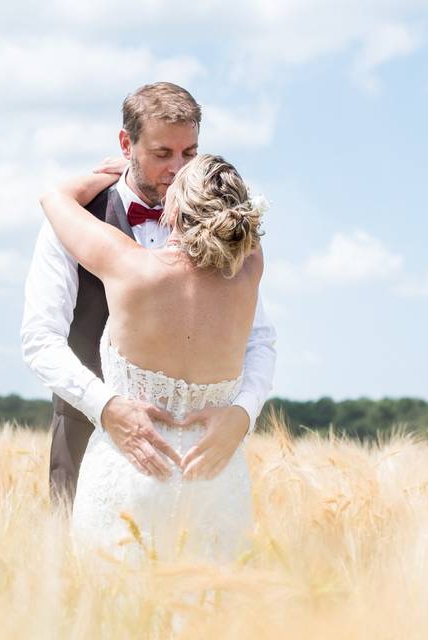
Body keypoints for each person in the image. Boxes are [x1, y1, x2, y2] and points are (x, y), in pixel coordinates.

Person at [20, 83, 276, 513]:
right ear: (127, 144)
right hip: (92, 441)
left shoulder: (221, 225)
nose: (177, 169)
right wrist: (106, 408)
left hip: (204, 457)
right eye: (162, 154)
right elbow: (39, 339)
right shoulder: (74, 222)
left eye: (189, 154)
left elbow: (259, 339)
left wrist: (243, 415)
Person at [39, 152, 266, 563]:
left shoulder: (127, 264)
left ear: (174, 208)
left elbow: (54, 198)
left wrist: (113, 172)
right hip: (217, 476)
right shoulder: (251, 267)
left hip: (132, 473)